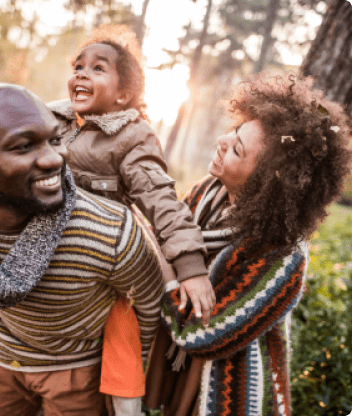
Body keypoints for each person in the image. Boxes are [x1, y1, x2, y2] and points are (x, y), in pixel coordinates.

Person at [0, 25, 215, 415]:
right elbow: (2, 126)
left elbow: (160, 199)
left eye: (98, 69)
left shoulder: (132, 137)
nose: (82, 74)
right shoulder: (59, 117)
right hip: (39, 223)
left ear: (124, 95)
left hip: (97, 244)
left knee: (122, 322)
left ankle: (126, 399)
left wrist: (189, 265)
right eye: (78, 66)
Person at [0, 82, 163, 416]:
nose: (54, 158)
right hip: (3, 359)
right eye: (24, 146)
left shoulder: (109, 231)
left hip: (76, 371)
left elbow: (147, 303)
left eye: (55, 139)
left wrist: (122, 377)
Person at [143, 74, 352, 416]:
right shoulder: (207, 193)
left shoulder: (283, 259)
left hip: (225, 383)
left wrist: (169, 267)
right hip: (178, 371)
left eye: (237, 149)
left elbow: (204, 336)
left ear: (266, 184)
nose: (222, 141)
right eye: (234, 130)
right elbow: (162, 231)